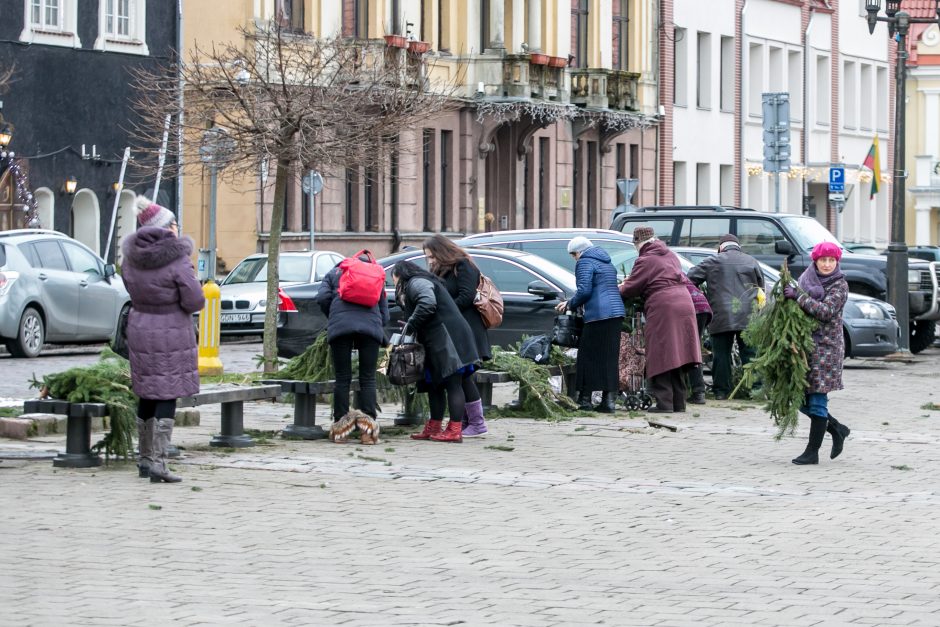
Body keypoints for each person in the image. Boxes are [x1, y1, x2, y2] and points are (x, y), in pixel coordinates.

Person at [121, 196, 205, 483]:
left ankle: (144, 459)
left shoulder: (130, 258)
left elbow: (130, 288)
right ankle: (159, 462)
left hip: (140, 326)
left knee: (146, 391)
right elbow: (194, 300)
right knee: (167, 392)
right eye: (174, 223)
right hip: (171, 330)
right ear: (165, 227)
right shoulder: (177, 259)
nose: (177, 227)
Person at [392, 260, 480, 443]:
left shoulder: (416, 282)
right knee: (434, 385)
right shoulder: (420, 281)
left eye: (393, 279)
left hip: (448, 339)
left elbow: (427, 304)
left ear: (399, 275)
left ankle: (455, 429)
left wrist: (411, 324)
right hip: (436, 340)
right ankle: (434, 426)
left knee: (452, 383)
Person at [619, 227, 701, 413]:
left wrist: (618, 289)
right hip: (684, 303)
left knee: (662, 352)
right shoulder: (670, 255)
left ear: (637, 243)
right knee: (678, 354)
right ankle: (679, 403)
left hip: (664, 305)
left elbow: (632, 287)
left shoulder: (645, 259)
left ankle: (665, 404)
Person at [783, 241, 851, 465]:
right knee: (799, 399)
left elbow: (825, 311)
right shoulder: (806, 279)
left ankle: (812, 452)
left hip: (827, 348)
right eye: (823, 260)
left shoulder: (840, 285)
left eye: (832, 260)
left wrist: (798, 297)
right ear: (816, 261)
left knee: (818, 400)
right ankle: (836, 428)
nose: (827, 264)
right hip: (805, 347)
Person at [423, 234, 490, 437]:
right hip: (453, 330)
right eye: (427, 257)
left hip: (467, 329)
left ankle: (476, 423)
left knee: (463, 377)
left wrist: (445, 311)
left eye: (432, 255)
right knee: (460, 377)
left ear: (442, 251)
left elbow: (466, 296)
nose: (430, 260)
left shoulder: (463, 266)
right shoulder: (441, 269)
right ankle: (466, 422)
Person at [687, 234, 764, 400]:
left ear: (721, 247)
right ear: (738, 246)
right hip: (748, 315)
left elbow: (689, 278)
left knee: (721, 355)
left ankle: (722, 391)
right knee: (750, 354)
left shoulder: (712, 261)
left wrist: (701, 295)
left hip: (721, 314)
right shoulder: (751, 261)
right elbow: (760, 287)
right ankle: (756, 390)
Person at [317, 252, 389, 426]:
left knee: (342, 378)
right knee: (368, 378)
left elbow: (321, 298)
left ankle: (341, 427)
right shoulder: (376, 275)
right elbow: (384, 314)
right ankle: (368, 428)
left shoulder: (335, 272)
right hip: (370, 330)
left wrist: (333, 316)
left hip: (340, 328)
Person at [555, 236, 625, 413]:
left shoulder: (585, 262)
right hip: (615, 313)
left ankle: (585, 400)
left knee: (587, 357)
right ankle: (608, 402)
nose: (574, 258)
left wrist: (570, 304)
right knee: (609, 358)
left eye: (573, 255)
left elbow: (584, 290)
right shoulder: (606, 261)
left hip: (598, 315)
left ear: (579, 252)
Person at [681, 273, 712, 404]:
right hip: (702, 306)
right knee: (693, 348)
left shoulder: (662, 271)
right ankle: (697, 391)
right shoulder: (675, 270)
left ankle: (698, 392)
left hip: (693, 308)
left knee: (690, 349)